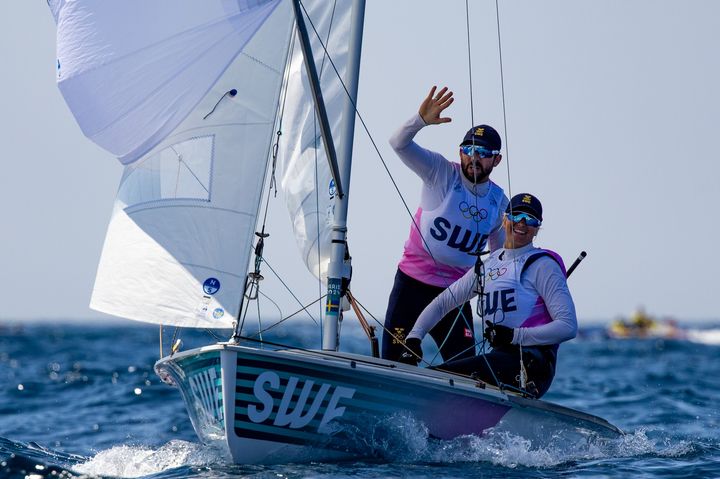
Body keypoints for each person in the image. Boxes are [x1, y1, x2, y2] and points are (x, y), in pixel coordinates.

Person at [400, 193, 577, 398]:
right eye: (516, 215)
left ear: (537, 228)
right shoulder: (489, 265)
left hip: (531, 364)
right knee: (440, 376)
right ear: (504, 219)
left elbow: (568, 326)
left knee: (437, 378)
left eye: (530, 219)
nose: (522, 223)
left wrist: (515, 336)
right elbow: (443, 302)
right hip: (499, 360)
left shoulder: (543, 265)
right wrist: (414, 337)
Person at [381, 86, 509, 363]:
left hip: (455, 295)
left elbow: (500, 261)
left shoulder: (499, 202)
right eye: (468, 150)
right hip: (411, 286)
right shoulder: (441, 172)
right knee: (395, 361)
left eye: (483, 153)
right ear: (460, 152)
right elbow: (397, 143)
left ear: (496, 159)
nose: (474, 157)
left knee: (464, 368)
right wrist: (420, 120)